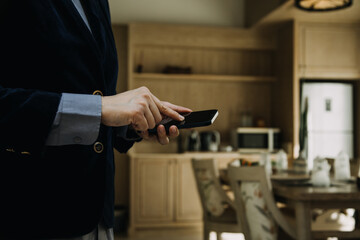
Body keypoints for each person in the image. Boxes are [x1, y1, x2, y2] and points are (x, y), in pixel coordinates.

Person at [0, 0, 191, 239]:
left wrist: (132, 124)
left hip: (97, 215)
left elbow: (94, 95)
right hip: (29, 211)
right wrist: (99, 108)